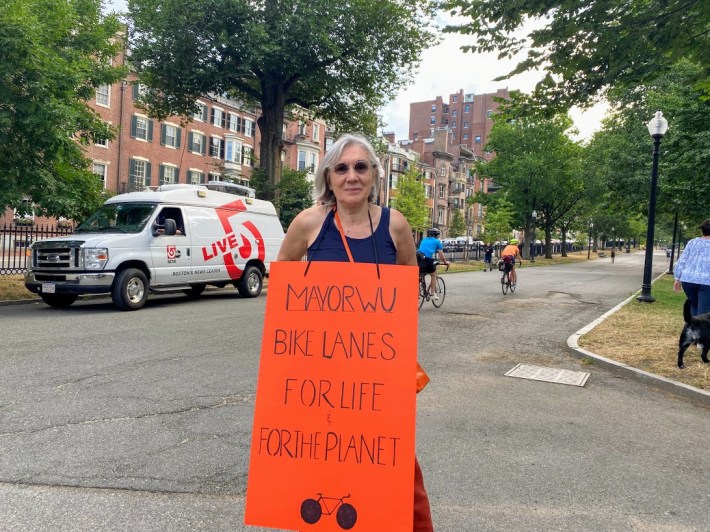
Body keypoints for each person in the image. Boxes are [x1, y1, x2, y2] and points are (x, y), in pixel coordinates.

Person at [277, 133, 434, 531]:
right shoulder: (308, 224)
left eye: (360, 167)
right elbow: (284, 295)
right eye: (342, 168)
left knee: (395, 471)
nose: (351, 176)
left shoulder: (395, 226)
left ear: (374, 176)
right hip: (323, 377)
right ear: (328, 177)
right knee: (325, 471)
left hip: (379, 375)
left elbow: (403, 298)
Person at [673, 219, 710, 317]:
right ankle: (700, 331)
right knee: (704, 313)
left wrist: (677, 279)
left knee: (694, 307)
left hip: (688, 280)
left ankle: (692, 330)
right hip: (707, 282)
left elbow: (682, 261)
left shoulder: (692, 242)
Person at [417, 228, 449, 300]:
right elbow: (441, 256)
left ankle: (417, 293)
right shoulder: (437, 242)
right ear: (437, 235)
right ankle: (432, 294)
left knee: (419, 275)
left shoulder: (424, 240)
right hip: (428, 259)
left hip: (418, 258)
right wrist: (445, 262)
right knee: (433, 275)